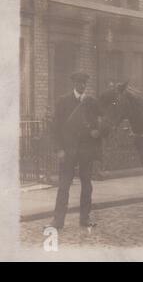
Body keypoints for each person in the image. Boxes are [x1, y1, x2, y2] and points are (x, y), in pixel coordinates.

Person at [46, 71, 106, 230]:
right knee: (64, 185)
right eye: (79, 83)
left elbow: (103, 120)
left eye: (84, 83)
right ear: (74, 84)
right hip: (68, 150)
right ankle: (58, 221)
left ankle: (84, 219)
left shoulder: (92, 102)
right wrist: (59, 149)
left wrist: (97, 131)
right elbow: (55, 128)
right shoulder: (63, 101)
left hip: (86, 150)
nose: (82, 85)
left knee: (87, 185)